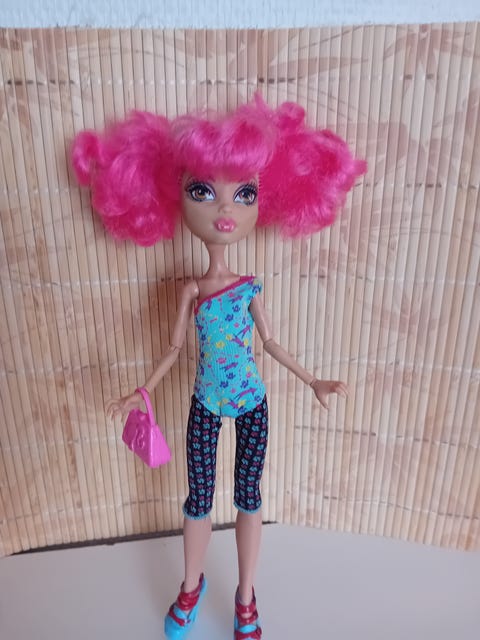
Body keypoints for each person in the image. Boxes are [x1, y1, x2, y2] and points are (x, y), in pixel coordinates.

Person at [72, 94, 366, 639]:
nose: (225, 210)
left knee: (249, 497)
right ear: (171, 196)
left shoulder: (249, 288)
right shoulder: (191, 290)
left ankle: (246, 596)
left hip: (251, 401)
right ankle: (191, 584)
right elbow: (172, 350)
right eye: (203, 192)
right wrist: (142, 391)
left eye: (244, 193)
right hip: (205, 402)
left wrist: (313, 380)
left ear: (266, 199)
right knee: (198, 498)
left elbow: (270, 343)